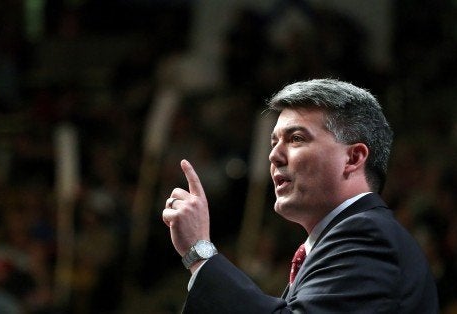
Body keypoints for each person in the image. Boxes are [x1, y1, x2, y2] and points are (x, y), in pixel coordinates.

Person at [161, 79, 439, 313]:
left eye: (296, 138)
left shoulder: (368, 235)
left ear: (353, 157)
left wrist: (200, 254)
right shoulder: (344, 238)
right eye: (274, 142)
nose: (274, 155)